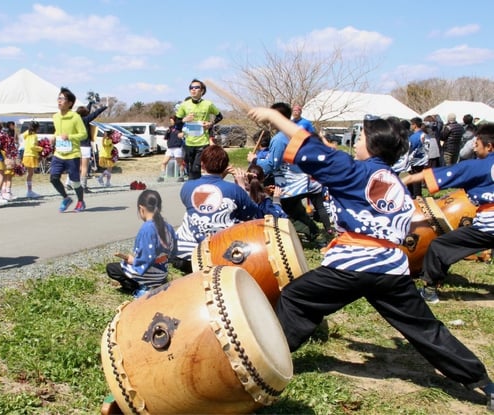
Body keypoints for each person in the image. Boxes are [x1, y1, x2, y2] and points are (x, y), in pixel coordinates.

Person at [247, 107, 494, 408]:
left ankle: (267, 363)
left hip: (352, 265)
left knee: (297, 298)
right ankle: (482, 381)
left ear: (374, 145)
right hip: (392, 270)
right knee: (425, 328)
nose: (356, 141)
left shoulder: (352, 170)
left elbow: (304, 141)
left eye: (361, 137)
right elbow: (325, 153)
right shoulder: (394, 183)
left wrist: (272, 118)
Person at [402, 122, 494, 304]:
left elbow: (447, 172)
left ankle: (429, 290)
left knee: (440, 247)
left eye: (477, 143)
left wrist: (410, 178)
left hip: (489, 226)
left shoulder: (482, 166)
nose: (474, 147)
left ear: (489, 146)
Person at [172, 145, 260, 273]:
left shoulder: (187, 187)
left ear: (202, 165)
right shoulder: (234, 190)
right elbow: (250, 214)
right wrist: (241, 185)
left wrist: (220, 176)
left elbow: (211, 191)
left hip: (186, 255)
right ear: (225, 166)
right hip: (221, 256)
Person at [247, 102, 327, 244]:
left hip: (288, 184)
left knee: (285, 212)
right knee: (296, 210)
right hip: (300, 179)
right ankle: (315, 234)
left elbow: (272, 164)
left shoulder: (279, 139)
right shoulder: (294, 132)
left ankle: (308, 235)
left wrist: (255, 160)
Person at [106, 189, 177, 297]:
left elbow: (145, 260)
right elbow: (174, 250)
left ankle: (142, 289)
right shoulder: (168, 226)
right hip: (162, 271)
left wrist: (132, 261)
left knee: (111, 268)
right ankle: (151, 284)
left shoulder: (147, 229)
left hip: (150, 274)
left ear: (141, 208)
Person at [175, 79, 223, 180]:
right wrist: (184, 119)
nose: (193, 90)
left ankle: (195, 188)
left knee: (196, 168)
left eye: (197, 88)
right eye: (191, 88)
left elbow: (219, 116)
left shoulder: (208, 104)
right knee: (190, 169)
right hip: (188, 142)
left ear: (202, 91)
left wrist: (210, 123)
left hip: (202, 142)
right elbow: (177, 122)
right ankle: (195, 187)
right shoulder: (184, 105)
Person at [51, 87, 87, 212]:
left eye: (62, 99)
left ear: (70, 103)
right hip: (59, 154)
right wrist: (54, 137)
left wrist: (70, 137)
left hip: (72, 154)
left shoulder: (75, 117)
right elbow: (58, 132)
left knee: (75, 182)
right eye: (58, 98)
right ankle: (66, 198)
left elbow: (84, 134)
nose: (59, 101)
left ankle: (81, 201)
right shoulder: (55, 117)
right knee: (53, 178)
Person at [66, 102, 108, 192]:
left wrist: (90, 104)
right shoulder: (86, 119)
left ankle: (69, 184)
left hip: (75, 146)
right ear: (86, 114)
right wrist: (104, 107)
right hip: (85, 146)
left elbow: (86, 111)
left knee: (75, 166)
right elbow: (95, 113)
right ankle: (83, 187)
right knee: (84, 168)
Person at [404, 117, 429, 198]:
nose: (411, 126)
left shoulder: (414, 137)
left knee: (414, 179)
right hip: (423, 159)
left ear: (414, 125)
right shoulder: (425, 134)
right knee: (417, 178)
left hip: (415, 160)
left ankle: (416, 195)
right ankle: (416, 194)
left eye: (411, 124)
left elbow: (410, 149)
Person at [157, 115, 185, 182]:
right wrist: (167, 133)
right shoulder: (170, 128)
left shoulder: (179, 127)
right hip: (170, 148)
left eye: (172, 120)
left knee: (179, 163)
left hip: (177, 147)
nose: (171, 122)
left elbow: (181, 132)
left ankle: (181, 176)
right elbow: (166, 137)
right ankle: (162, 176)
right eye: (170, 121)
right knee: (164, 162)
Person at [21, 121, 42, 198]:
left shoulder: (27, 134)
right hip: (31, 155)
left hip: (26, 154)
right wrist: (41, 148)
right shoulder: (34, 135)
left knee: (29, 174)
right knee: (30, 174)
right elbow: (32, 146)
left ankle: (29, 191)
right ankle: (29, 191)